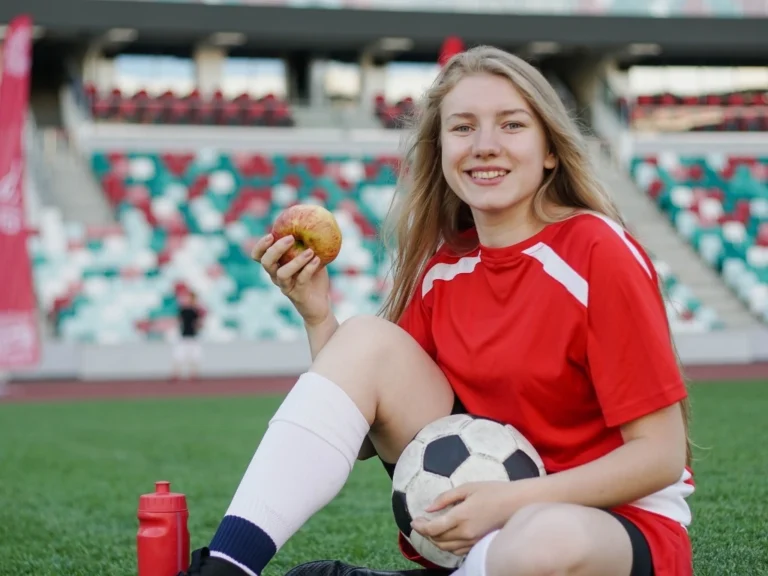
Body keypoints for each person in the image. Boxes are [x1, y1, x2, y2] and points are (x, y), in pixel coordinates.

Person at [179, 46, 695, 576]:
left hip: (605, 526)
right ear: (441, 148)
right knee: (365, 339)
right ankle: (225, 567)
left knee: (542, 539)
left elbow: (659, 456)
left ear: (549, 150)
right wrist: (317, 317)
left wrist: (514, 502)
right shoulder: (445, 268)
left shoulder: (596, 251)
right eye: (463, 128)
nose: (485, 146)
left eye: (512, 125)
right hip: (487, 525)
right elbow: (358, 433)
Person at [172, 290, 203, 380]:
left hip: (193, 337)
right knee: (179, 356)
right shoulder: (182, 310)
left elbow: (199, 323)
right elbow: (178, 321)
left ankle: (194, 375)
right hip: (183, 337)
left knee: (195, 356)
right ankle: (176, 374)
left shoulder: (195, 311)